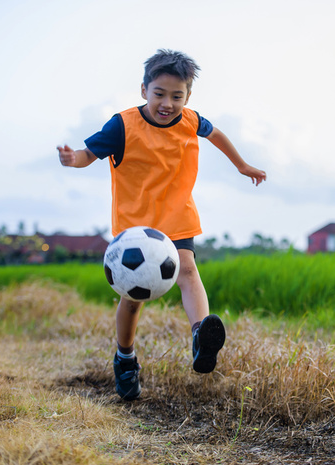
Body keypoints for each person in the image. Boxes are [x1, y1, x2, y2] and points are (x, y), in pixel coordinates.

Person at [57, 49, 266, 400]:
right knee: (134, 298)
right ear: (143, 90)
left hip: (177, 215)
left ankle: (201, 336)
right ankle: (125, 359)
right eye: (159, 94)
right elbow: (88, 154)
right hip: (135, 229)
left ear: (188, 96)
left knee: (187, 270)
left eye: (176, 96)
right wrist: (71, 159)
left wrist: (242, 165)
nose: (167, 103)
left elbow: (216, 135)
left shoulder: (191, 120)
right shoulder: (122, 125)